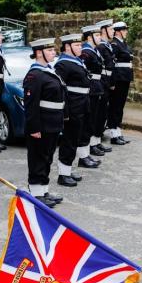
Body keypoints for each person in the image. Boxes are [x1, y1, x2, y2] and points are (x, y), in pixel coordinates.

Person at [24, 38, 66, 207]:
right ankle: (35, 193)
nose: (53, 53)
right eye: (49, 50)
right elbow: (30, 104)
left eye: (53, 50)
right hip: (41, 125)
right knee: (38, 159)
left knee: (47, 158)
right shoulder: (35, 75)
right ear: (39, 53)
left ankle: (44, 190)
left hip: (53, 123)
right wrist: (34, 128)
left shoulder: (49, 71)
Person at [55, 33, 89, 187]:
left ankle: (67, 170)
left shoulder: (76, 61)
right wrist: (65, 112)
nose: (80, 48)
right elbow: (61, 90)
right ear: (68, 47)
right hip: (72, 107)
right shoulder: (62, 64)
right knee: (69, 140)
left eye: (80, 45)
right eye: (77, 46)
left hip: (81, 104)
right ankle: (63, 174)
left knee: (75, 139)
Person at [78, 25, 103, 168]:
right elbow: (84, 72)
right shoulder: (86, 52)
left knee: (91, 122)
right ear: (89, 37)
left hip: (96, 88)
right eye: (97, 35)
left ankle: (86, 154)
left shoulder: (94, 50)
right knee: (87, 124)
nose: (100, 37)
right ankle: (83, 156)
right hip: (91, 89)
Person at [94, 19, 115, 155]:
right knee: (98, 115)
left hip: (105, 83)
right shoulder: (101, 47)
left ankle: (96, 141)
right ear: (104, 30)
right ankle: (94, 143)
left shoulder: (106, 45)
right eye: (111, 29)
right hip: (101, 83)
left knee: (101, 115)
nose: (113, 31)